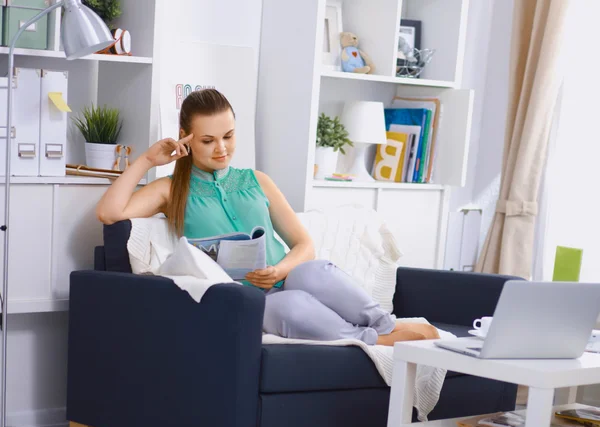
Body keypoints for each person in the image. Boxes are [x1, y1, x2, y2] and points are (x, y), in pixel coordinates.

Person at [96, 89, 440, 346]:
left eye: (228, 136)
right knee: (289, 305)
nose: (222, 148)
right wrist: (147, 160)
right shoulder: (171, 189)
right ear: (186, 138)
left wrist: (279, 270)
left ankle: (387, 326)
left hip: (286, 277)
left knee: (316, 271)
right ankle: (375, 341)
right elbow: (109, 213)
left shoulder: (257, 180)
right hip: (246, 299)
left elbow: (304, 244)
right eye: (207, 140)